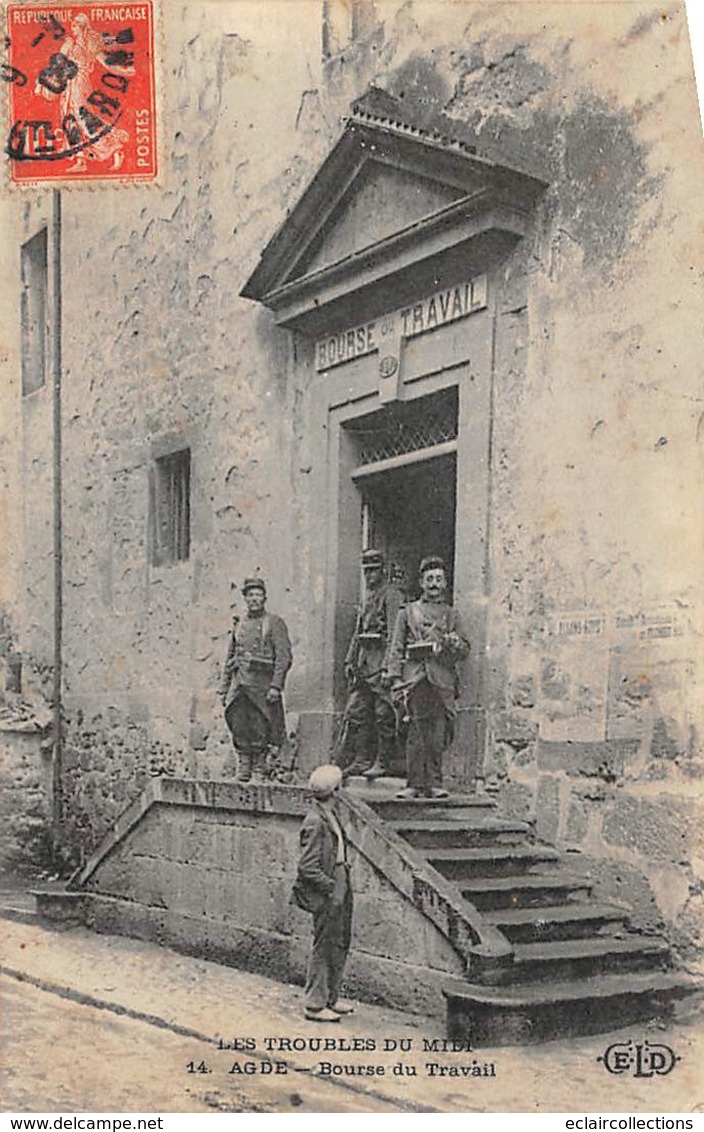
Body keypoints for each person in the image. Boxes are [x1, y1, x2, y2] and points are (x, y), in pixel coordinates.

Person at [384, 556, 469, 799]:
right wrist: (394, 678)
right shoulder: (408, 612)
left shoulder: (452, 615)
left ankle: (435, 783)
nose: (434, 584)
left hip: (441, 681)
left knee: (437, 733)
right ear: (421, 583)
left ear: (445, 584)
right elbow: (396, 646)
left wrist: (454, 642)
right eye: (429, 579)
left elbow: (465, 650)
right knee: (415, 732)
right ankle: (414, 784)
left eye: (439, 579)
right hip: (415, 679)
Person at [335, 549, 405, 779]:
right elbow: (358, 631)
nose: (370, 576)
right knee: (356, 712)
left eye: (374, 570)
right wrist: (350, 659)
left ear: (383, 570)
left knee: (383, 713)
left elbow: (396, 632)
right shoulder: (367, 597)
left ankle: (383, 760)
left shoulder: (391, 595)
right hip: (364, 664)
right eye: (366, 571)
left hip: (381, 660)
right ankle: (362, 758)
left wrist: (389, 667)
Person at [292, 764, 354, 1023]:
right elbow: (306, 867)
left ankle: (330, 998)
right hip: (329, 887)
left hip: (340, 880)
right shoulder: (316, 821)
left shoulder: (330, 814)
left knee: (339, 941)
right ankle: (315, 1004)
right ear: (336, 791)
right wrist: (330, 887)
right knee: (323, 944)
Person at [220, 576, 292, 782]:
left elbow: (284, 657)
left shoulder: (274, 623)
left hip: (262, 687)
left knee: (261, 726)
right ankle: (243, 768)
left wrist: (276, 686)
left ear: (264, 598)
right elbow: (230, 658)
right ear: (245, 598)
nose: (254, 599)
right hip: (240, 684)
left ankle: (259, 769)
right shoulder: (239, 624)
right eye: (250, 595)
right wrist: (224, 688)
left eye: (258, 595)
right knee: (238, 723)